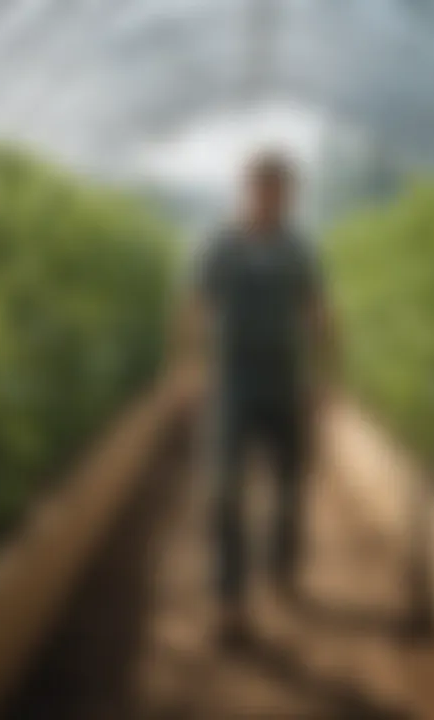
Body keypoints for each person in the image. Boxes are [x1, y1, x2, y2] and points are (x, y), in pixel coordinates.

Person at [177, 150, 336, 647]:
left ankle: (281, 565)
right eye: (263, 189)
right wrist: (189, 370)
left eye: (281, 192)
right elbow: (196, 307)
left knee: (290, 483)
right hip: (234, 381)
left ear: (290, 196)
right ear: (247, 191)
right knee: (225, 488)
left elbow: (315, 310)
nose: (272, 199)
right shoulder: (221, 245)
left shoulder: (297, 248)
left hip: (285, 379)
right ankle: (230, 600)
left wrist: (325, 376)